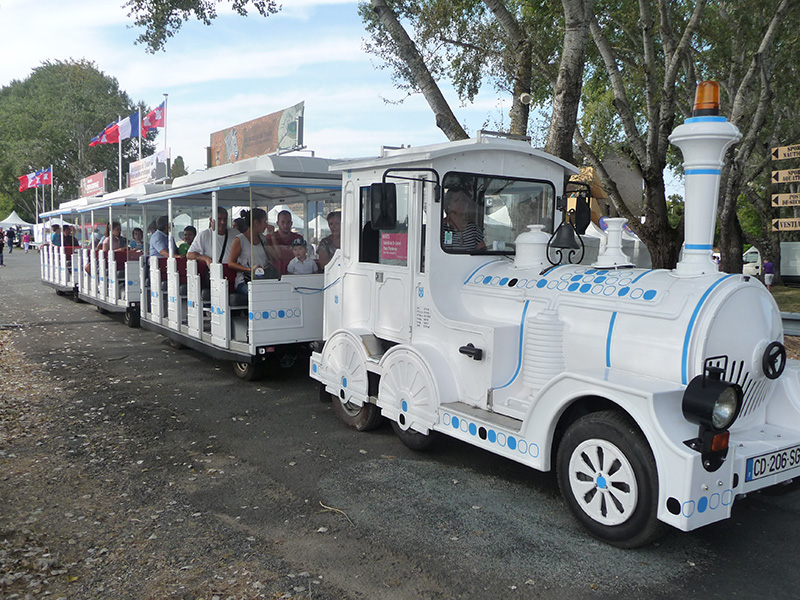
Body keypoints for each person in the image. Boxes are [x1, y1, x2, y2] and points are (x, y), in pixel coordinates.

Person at [227, 208, 279, 294]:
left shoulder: (263, 239)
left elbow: (276, 257)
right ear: (256, 223)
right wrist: (249, 270)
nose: (266, 225)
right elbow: (231, 263)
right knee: (258, 293)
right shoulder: (240, 240)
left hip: (262, 280)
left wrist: (272, 236)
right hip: (244, 281)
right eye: (264, 221)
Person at [266, 209, 303, 274]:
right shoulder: (268, 238)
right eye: (283, 222)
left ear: (291, 223)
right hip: (274, 275)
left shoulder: (298, 238)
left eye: (288, 222)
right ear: (277, 223)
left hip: (295, 274)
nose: (285, 225)